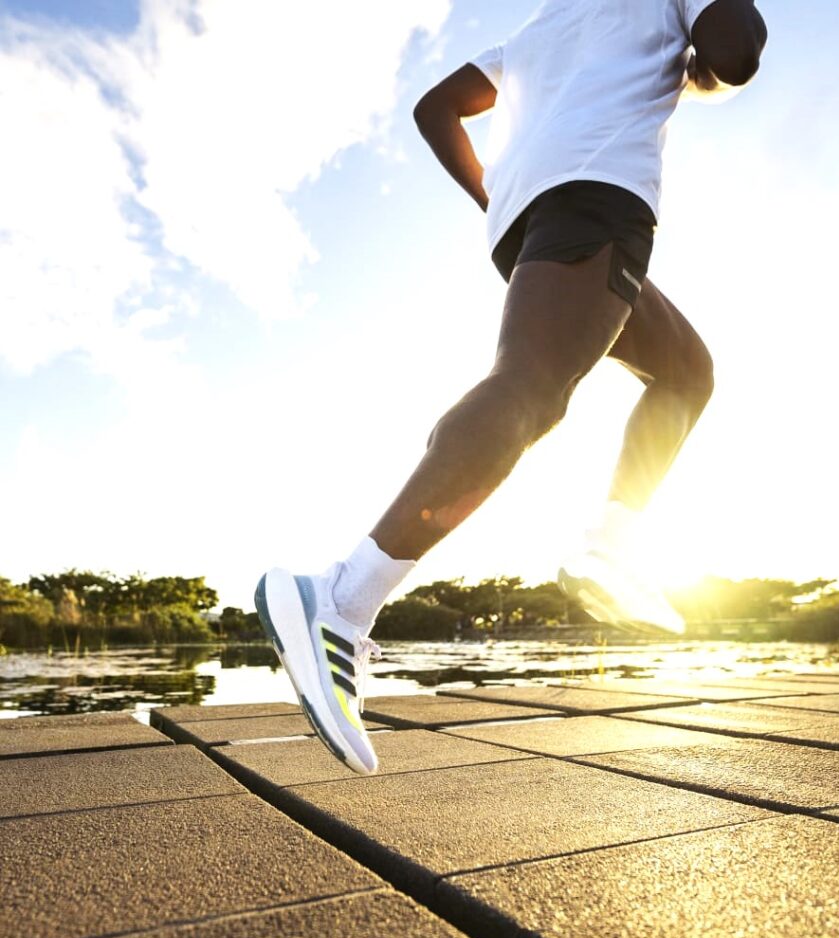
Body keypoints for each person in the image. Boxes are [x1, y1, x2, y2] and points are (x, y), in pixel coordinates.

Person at [256, 0, 768, 774]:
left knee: (686, 371)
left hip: (530, 218)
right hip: (600, 198)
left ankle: (614, 543)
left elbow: (436, 110)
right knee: (531, 387)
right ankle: (340, 598)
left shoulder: (541, 27)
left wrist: (496, 197)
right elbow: (734, 50)